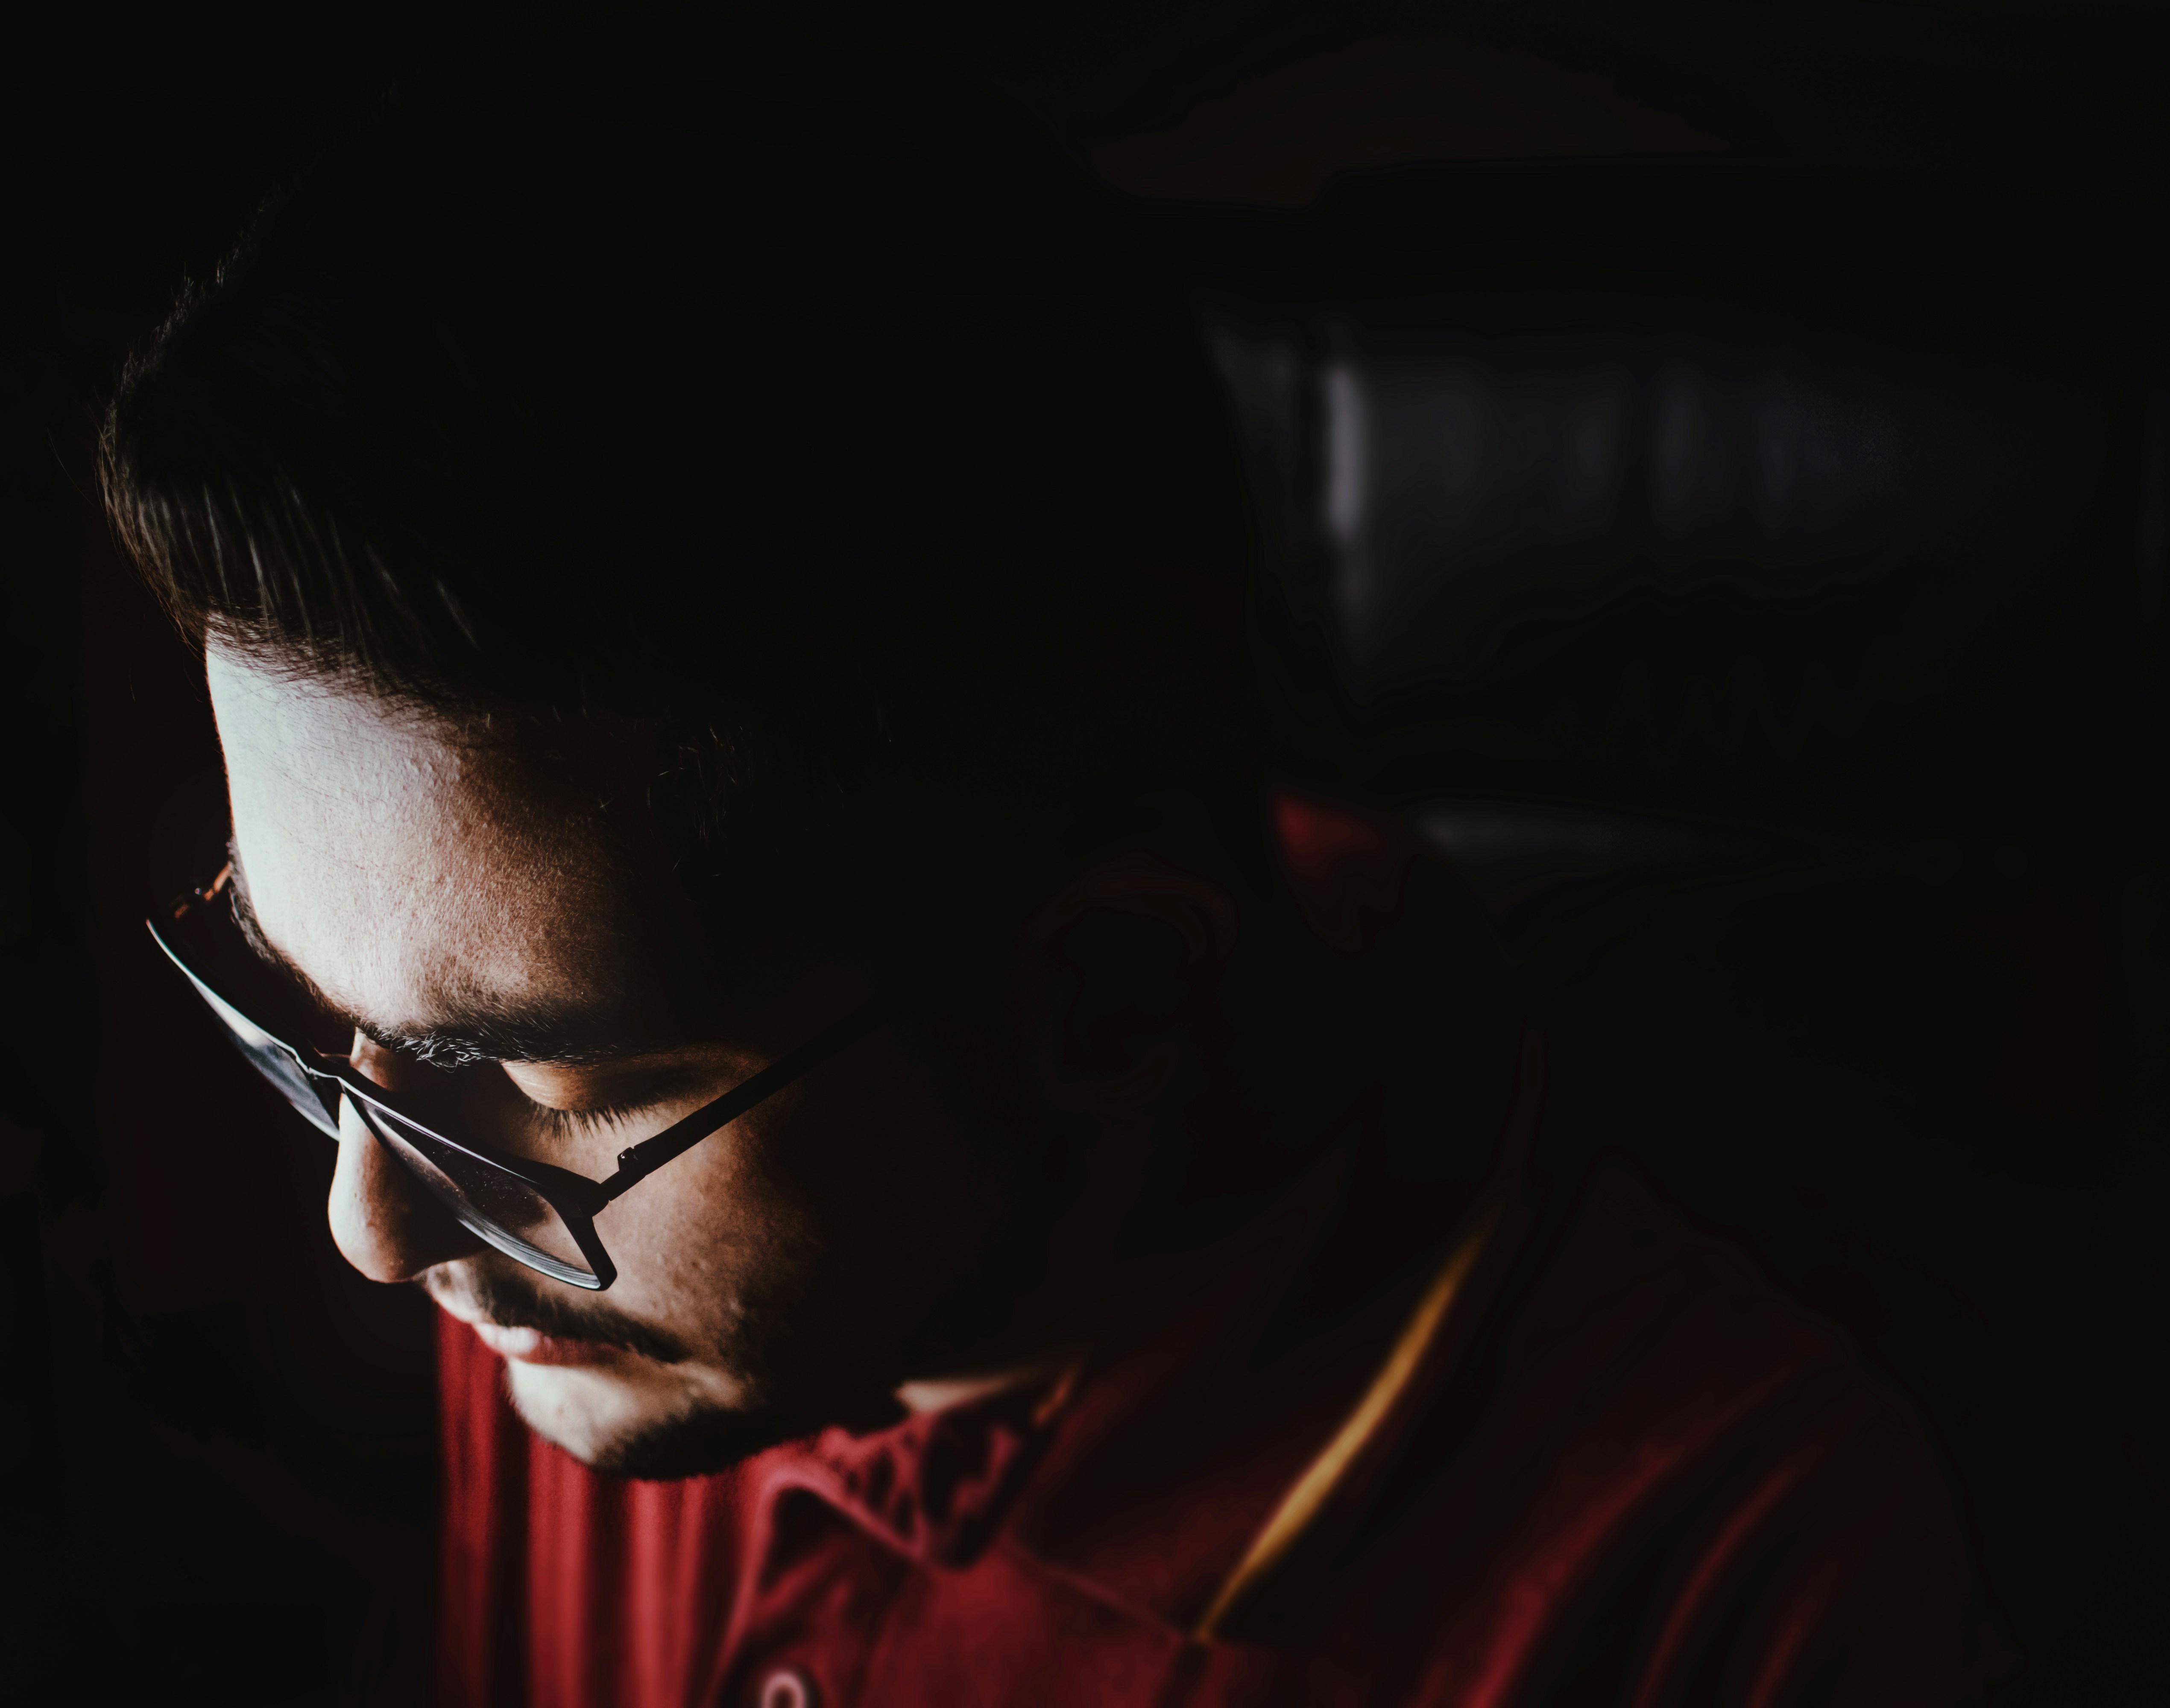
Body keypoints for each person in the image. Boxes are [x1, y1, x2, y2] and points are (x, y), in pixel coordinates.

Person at [99, 35, 1989, 1708]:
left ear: (1105, 1002)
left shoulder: (1737, 1592)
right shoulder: (550, 1253)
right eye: (316, 1022)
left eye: (537, 1074)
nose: (374, 1227)